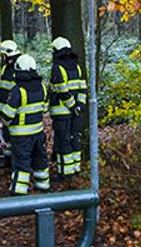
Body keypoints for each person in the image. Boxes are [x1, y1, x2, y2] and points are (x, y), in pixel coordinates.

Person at [0, 54, 50, 194]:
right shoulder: (42, 87)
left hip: (21, 136)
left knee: (22, 162)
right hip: (38, 133)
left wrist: (3, 119)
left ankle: (19, 191)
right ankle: (43, 184)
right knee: (40, 159)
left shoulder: (17, 90)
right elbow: (44, 109)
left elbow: (8, 115)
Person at [49, 36, 88, 177]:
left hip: (62, 112)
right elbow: (83, 88)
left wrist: (73, 107)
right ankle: (76, 168)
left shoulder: (57, 68)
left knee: (63, 140)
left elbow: (62, 91)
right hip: (76, 112)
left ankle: (65, 173)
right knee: (75, 138)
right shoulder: (77, 67)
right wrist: (80, 106)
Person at [0, 39, 22, 104]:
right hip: (7, 104)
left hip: (14, 104)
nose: (3, 58)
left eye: (4, 55)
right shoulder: (6, 67)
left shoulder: (19, 68)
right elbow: (3, 90)